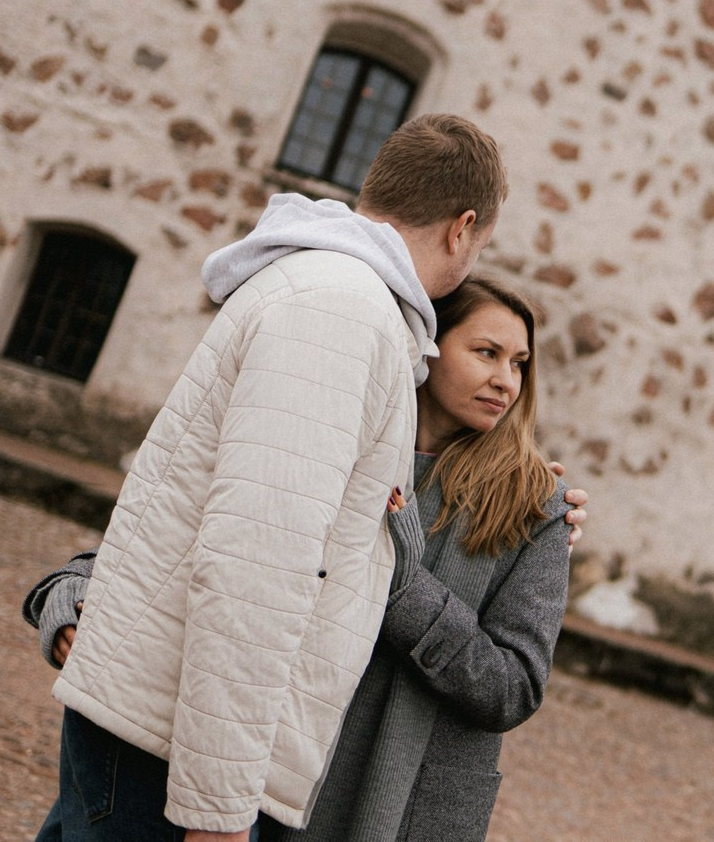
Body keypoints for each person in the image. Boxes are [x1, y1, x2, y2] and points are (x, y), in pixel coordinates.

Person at [33, 113, 509, 840]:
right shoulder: (343, 311)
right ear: (462, 227)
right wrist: (217, 811)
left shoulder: (329, 294)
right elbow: (258, 558)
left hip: (169, 735)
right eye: (480, 245)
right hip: (172, 752)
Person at [28, 278, 578, 841]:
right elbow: (219, 542)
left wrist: (399, 585)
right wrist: (72, 590)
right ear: (428, 348)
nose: (504, 380)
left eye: (520, 364)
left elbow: (513, 687)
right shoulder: (342, 443)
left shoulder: (536, 507)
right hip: (265, 773)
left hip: (393, 806)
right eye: (487, 353)